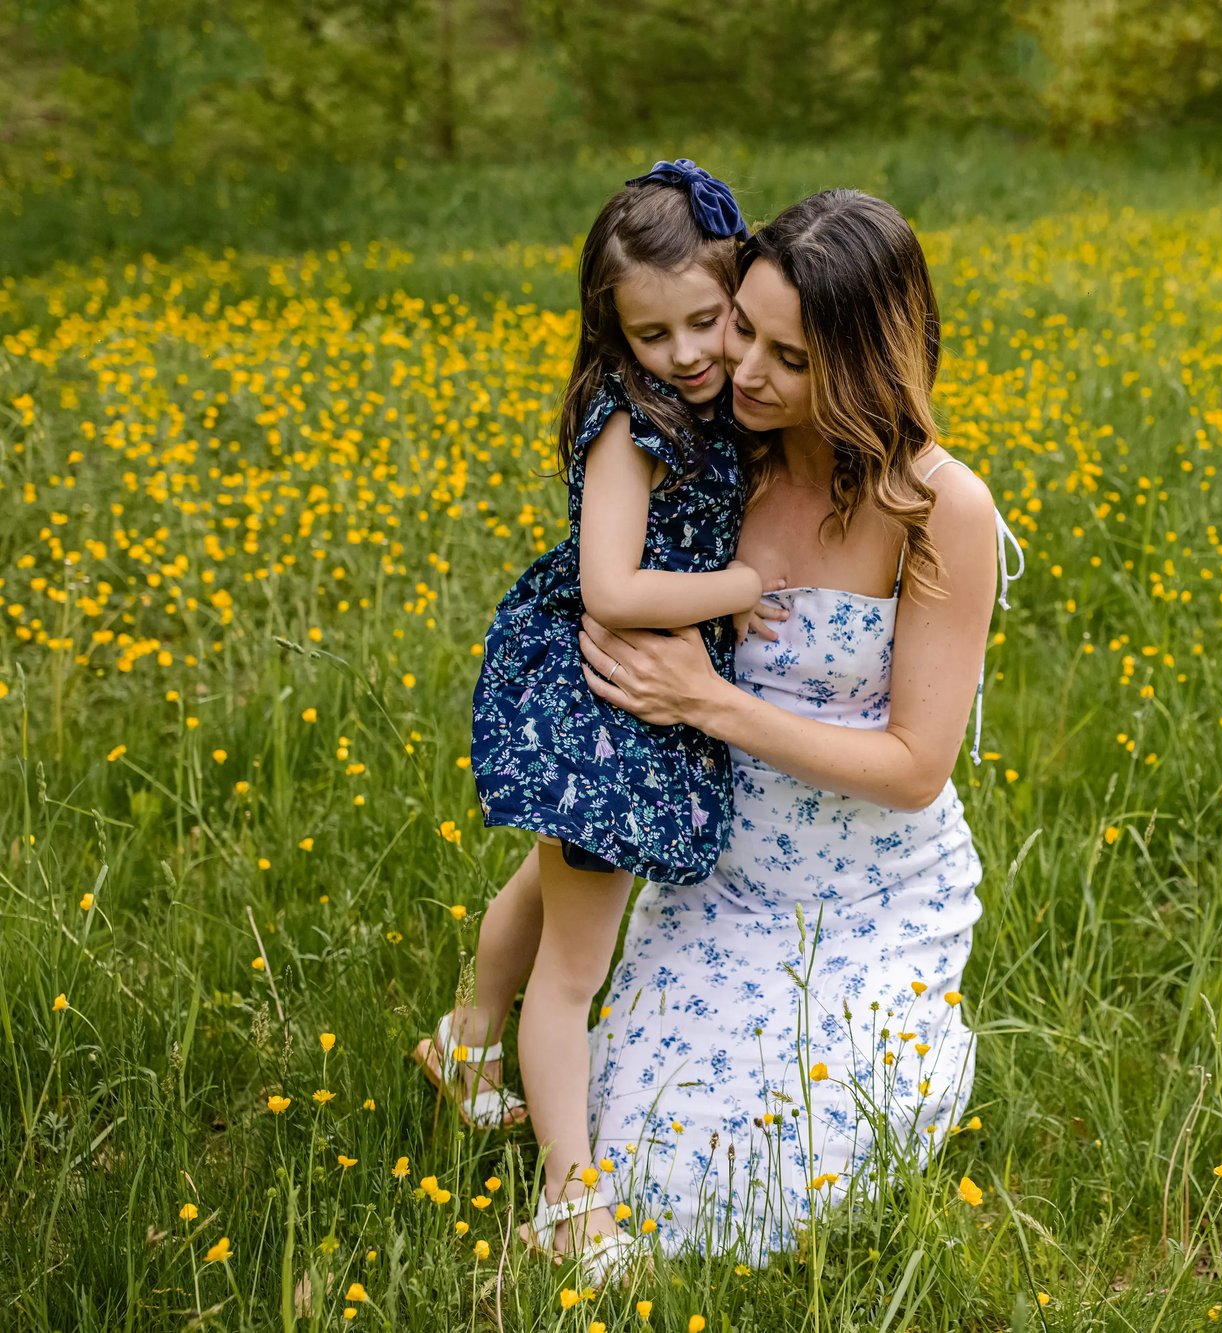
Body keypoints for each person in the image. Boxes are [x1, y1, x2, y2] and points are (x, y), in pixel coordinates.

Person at [574, 188, 1023, 1263]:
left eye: (790, 356)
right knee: (643, 1157)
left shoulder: (936, 506)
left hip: (870, 892)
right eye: (744, 328)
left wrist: (712, 704)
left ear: (865, 365)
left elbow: (917, 766)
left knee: (779, 1173)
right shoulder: (726, 457)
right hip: (724, 881)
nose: (744, 371)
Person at [411, 160, 777, 1279]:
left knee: (555, 874)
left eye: (707, 321)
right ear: (612, 332)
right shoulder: (630, 421)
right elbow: (611, 585)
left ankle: (466, 1037)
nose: (687, 353)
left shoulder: (706, 403)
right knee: (576, 966)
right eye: (651, 332)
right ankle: (567, 1199)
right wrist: (743, 587)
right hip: (604, 694)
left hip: (638, 689)